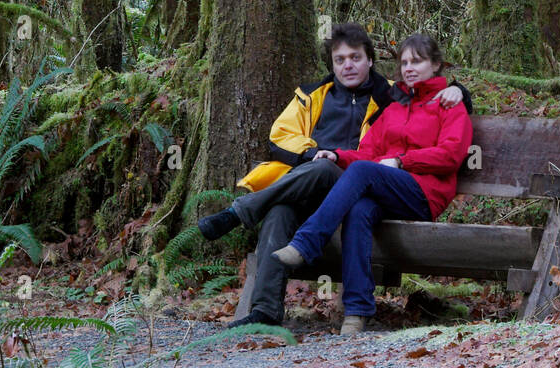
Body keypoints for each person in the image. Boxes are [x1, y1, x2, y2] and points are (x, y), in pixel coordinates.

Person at [198, 23, 472, 329]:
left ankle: (266, 223)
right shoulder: (316, 95)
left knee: (345, 173)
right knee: (282, 209)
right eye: (340, 59)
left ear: (371, 60)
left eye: (355, 57)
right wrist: (327, 153)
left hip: (372, 183)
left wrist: (457, 89)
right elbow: (282, 137)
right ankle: (269, 311)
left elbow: (441, 127)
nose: (348, 65)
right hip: (327, 182)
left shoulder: (390, 96)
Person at [273, 33, 473, 336]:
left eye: (416, 61)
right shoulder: (394, 108)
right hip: (390, 188)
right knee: (360, 209)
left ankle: (307, 241)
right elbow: (367, 153)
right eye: (404, 62)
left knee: (365, 174)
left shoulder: (449, 105)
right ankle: (357, 311)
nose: (408, 68)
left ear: (435, 65)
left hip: (424, 195)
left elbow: (451, 155)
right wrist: (336, 155)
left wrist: (404, 162)